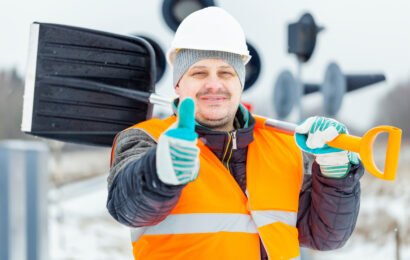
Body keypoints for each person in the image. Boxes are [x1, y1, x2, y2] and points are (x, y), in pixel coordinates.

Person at [107, 7, 364, 260]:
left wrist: (335, 172)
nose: (214, 84)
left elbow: (325, 236)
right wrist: (157, 174)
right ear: (178, 83)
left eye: (225, 73)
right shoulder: (146, 140)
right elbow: (127, 208)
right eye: (199, 72)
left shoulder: (285, 147)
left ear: (240, 82)